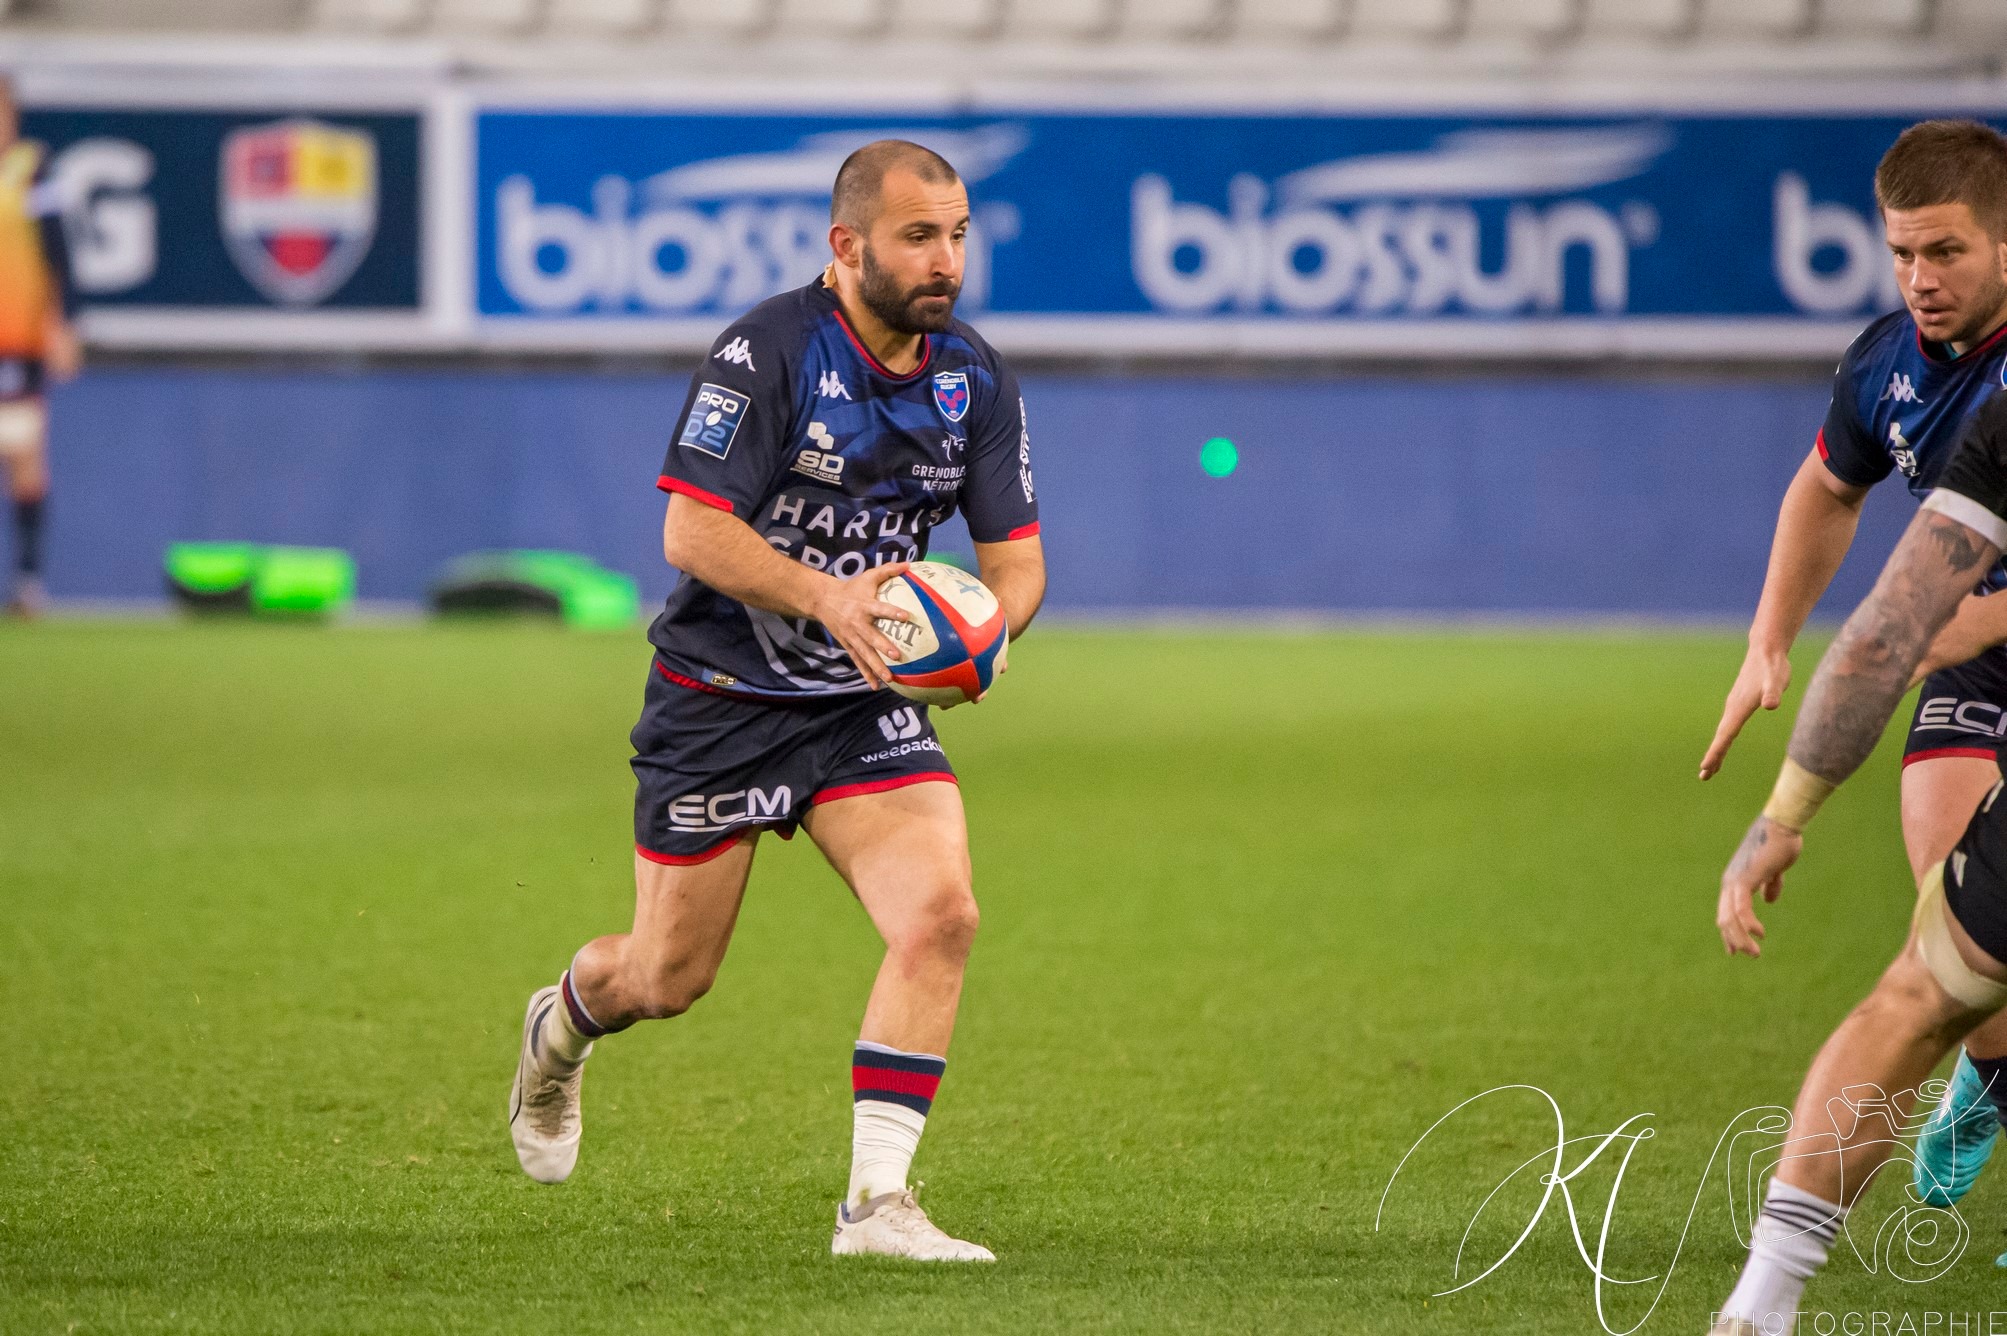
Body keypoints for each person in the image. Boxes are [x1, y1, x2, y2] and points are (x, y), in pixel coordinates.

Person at [506, 140, 1045, 1262]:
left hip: (859, 707)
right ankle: (559, 1027)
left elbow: (1019, 560)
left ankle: (877, 1207)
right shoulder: (769, 352)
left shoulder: (974, 376)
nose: (945, 260)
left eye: (956, 235)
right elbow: (691, 529)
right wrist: (829, 599)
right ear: (847, 247)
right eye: (917, 237)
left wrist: (985, 637)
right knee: (666, 977)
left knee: (941, 913)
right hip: (721, 697)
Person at [1699, 120, 2007, 1205]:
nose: (1920, 280)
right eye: (1903, 254)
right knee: (1955, 907)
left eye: (1948, 253)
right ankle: (1989, 1073)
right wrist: (1768, 639)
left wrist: (1984, 623)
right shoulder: (1885, 364)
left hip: (1975, 638)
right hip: (1969, 668)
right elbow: (1829, 487)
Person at [0, 72, 80, 617]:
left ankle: (29, 582)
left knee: (24, 455)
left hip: (17, 339)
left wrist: (62, 323)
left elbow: (58, 251)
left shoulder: (31, 170)